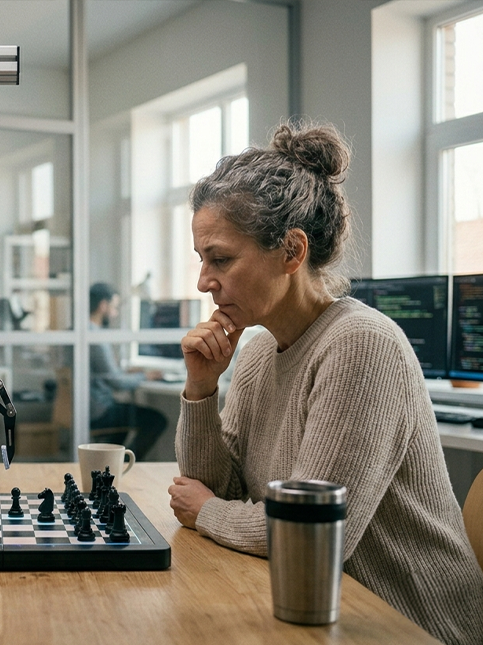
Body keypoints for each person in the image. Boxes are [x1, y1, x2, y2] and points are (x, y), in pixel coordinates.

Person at [167, 121, 483, 645]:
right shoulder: (260, 347)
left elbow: (305, 535)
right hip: (321, 606)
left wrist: (209, 513)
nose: (204, 281)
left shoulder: (361, 345)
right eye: (202, 259)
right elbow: (215, 488)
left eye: (220, 258)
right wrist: (201, 389)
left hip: (413, 623)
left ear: (292, 252)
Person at [89, 282, 167, 459]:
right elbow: (116, 383)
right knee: (156, 420)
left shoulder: (78, 331)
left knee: (123, 426)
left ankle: (111, 464)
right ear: (103, 305)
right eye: (114, 307)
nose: (115, 313)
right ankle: (126, 464)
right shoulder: (95, 337)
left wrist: (128, 372)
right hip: (98, 411)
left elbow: (103, 373)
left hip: (87, 406)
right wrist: (145, 375)